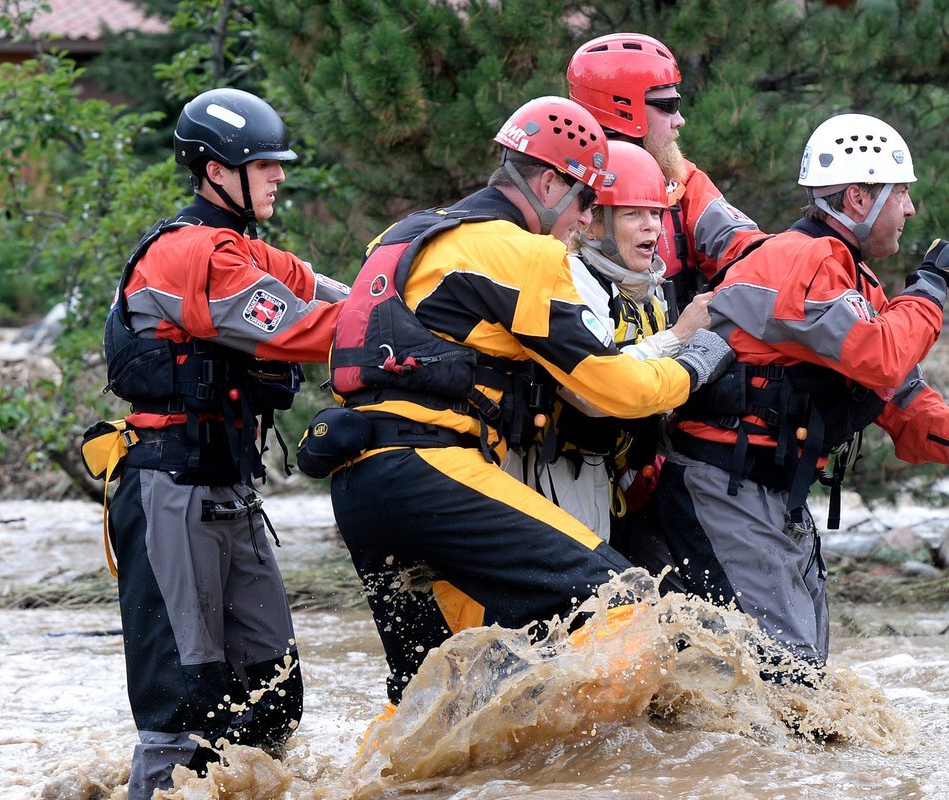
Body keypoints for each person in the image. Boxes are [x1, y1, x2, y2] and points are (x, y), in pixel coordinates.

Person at [322, 96, 734, 707]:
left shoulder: (408, 232)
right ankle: (600, 767)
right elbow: (610, 387)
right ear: (546, 182)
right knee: (619, 601)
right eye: (586, 201)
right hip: (431, 471)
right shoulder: (523, 253)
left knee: (436, 690)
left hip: (358, 485)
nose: (585, 220)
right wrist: (695, 361)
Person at [656, 112, 949, 675]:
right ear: (858, 197)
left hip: (769, 496)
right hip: (724, 491)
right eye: (901, 192)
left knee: (795, 680)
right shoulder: (801, 261)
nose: (910, 208)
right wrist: (929, 287)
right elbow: (881, 355)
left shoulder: (850, 276)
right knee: (786, 684)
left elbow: (898, 395)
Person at [100, 88, 349, 799]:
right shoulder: (196, 254)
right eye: (264, 164)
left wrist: (404, 298)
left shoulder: (248, 251)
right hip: (169, 491)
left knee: (271, 696)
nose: (278, 175)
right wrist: (386, 328)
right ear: (216, 170)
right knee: (183, 709)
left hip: (229, 493)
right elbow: (302, 327)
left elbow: (339, 294)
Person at [502, 140, 712, 541]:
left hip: (615, 469)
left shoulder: (648, 291)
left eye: (656, 213)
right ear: (594, 222)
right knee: (579, 594)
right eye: (633, 214)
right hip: (559, 465)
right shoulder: (574, 278)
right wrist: (678, 338)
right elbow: (592, 392)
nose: (652, 225)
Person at [567, 32, 765, 310]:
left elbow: (745, 247)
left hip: (680, 342)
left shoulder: (682, 180)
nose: (680, 121)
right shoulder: (557, 190)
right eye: (668, 106)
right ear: (622, 110)